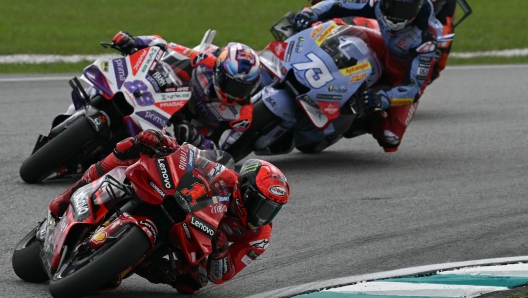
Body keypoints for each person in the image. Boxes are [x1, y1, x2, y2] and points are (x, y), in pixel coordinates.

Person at [47, 129, 290, 295]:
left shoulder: (259, 237)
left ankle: (119, 264)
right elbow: (191, 156)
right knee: (130, 148)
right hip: (182, 209)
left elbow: (221, 275)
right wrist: (165, 144)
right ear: (244, 189)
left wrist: (220, 251)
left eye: (271, 210)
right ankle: (68, 196)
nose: (263, 215)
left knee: (190, 285)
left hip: (196, 251)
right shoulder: (226, 178)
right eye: (262, 205)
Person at [295, 0, 438, 152]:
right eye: (393, 5)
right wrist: (311, 13)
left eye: (406, 8)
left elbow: (412, 89)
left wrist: (381, 99)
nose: (397, 13)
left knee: (390, 137)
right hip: (384, 48)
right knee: (337, 30)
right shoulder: (376, 3)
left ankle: (362, 118)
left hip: (401, 79)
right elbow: (340, 3)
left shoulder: (426, 38)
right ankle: (302, 59)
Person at [111, 31, 263, 151]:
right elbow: (164, 46)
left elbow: (218, 152)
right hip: (165, 101)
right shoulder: (204, 61)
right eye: (232, 84)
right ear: (219, 72)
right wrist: (134, 41)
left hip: (184, 136)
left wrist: (195, 138)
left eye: (244, 88)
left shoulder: (243, 117)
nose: (235, 92)